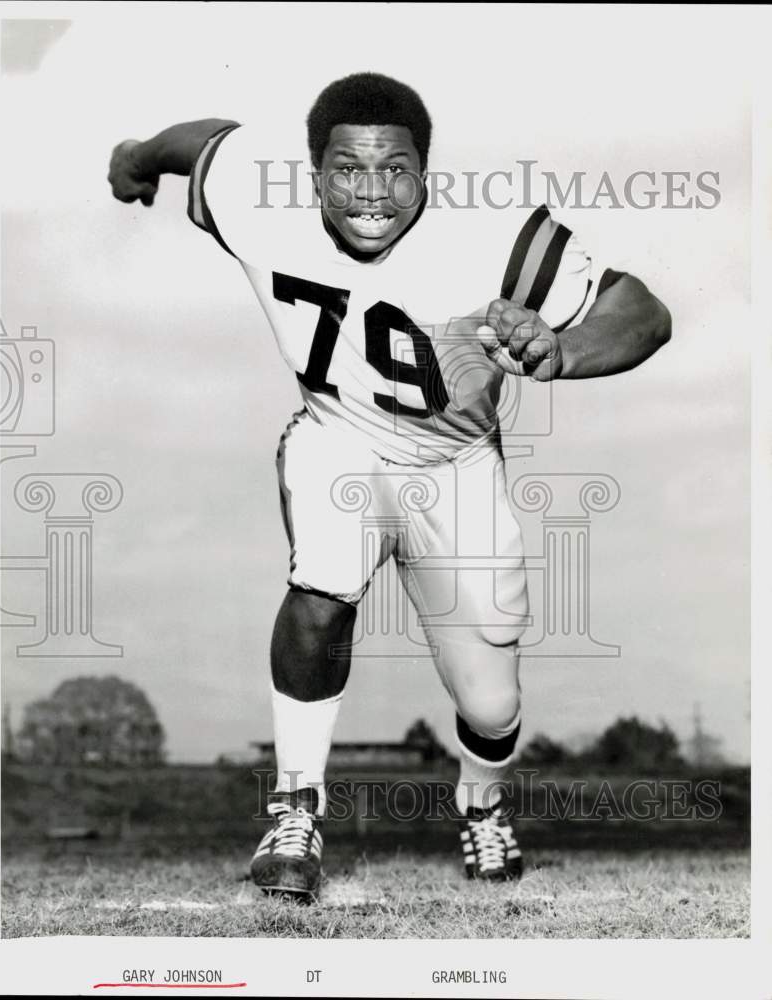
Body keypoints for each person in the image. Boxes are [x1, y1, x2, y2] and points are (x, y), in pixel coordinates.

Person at [108, 72, 671, 899]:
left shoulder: (494, 240)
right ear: (311, 174)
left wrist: (562, 350)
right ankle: (294, 811)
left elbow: (644, 310)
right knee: (319, 590)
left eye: (396, 170)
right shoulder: (258, 198)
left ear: (426, 174)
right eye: (347, 170)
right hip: (337, 437)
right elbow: (209, 143)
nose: (372, 193)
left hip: (456, 466)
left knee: (489, 706)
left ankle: (479, 806)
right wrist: (139, 157)